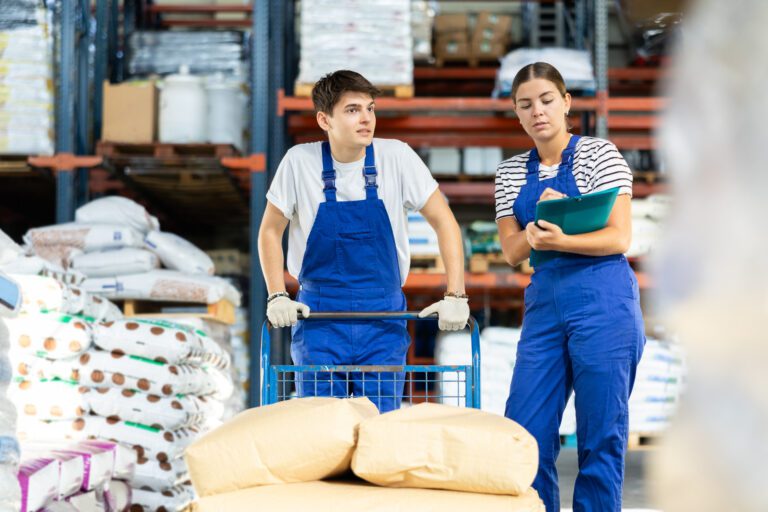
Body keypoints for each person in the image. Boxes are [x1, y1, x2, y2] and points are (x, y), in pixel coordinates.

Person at [258, 70, 469, 413]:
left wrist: (456, 294)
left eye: (370, 108)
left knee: (380, 427)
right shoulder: (299, 162)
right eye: (353, 110)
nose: (367, 119)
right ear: (324, 119)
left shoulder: (397, 157)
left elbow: (444, 221)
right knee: (322, 427)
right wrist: (276, 294)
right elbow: (270, 230)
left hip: (383, 318)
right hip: (319, 319)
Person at [495, 62, 645, 512]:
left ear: (565, 102)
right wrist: (536, 229)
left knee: (601, 433)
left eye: (545, 100)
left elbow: (619, 237)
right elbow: (511, 250)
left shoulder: (600, 154)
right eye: (525, 105)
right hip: (545, 305)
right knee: (525, 430)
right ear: (517, 115)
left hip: (604, 299)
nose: (537, 111)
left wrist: (563, 238)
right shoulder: (508, 173)